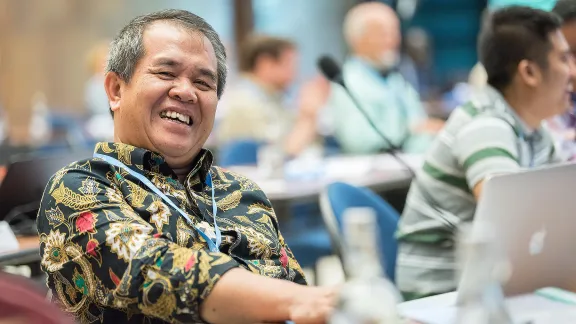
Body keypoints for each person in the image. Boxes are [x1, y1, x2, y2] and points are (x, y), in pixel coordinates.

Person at [37, 10, 336, 324]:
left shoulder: (241, 192)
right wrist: (298, 301)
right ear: (115, 90)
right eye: (166, 73)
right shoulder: (80, 187)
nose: (186, 91)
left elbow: (298, 292)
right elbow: (154, 272)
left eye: (203, 82)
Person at [396, 6, 575, 300]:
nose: (573, 72)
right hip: (442, 296)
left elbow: (562, 224)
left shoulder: (536, 132)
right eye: (565, 58)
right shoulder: (485, 124)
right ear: (529, 72)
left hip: (493, 285)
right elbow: (515, 231)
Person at [322, 2, 439, 155]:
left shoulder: (396, 79)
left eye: (395, 32)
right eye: (383, 33)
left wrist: (419, 131)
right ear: (358, 40)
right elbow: (359, 142)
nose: (393, 40)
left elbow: (422, 127)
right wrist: (410, 131)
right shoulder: (347, 82)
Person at [217, 35, 328, 158]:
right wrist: (308, 115)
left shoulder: (274, 97)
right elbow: (284, 153)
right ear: (266, 64)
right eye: (289, 64)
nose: (295, 74)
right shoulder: (245, 103)